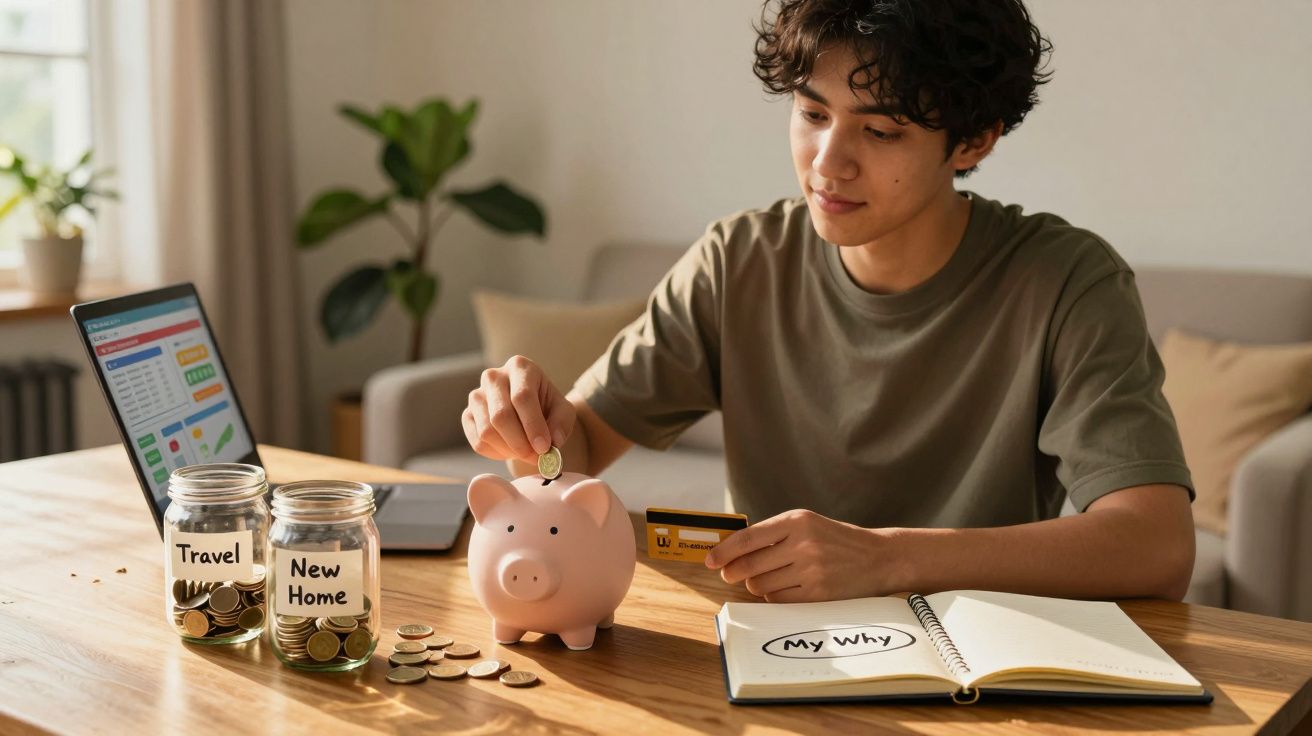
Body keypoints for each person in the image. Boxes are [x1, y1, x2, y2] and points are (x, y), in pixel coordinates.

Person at [461, 0, 1196, 604]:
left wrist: (885, 559)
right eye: (813, 115)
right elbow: (579, 450)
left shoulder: (1067, 280)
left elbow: (1156, 545)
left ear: (973, 142)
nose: (827, 163)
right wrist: (532, 437)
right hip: (770, 647)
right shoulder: (738, 261)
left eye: (880, 131)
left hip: (977, 661)